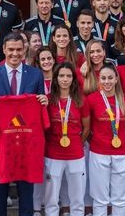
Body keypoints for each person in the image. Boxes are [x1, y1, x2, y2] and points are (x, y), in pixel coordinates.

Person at [0, 32, 48, 216]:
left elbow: (40, 108)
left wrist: (43, 101)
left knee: (26, 191)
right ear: (3, 49)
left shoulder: (35, 75)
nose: (15, 54)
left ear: (25, 49)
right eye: (11, 49)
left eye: (19, 49)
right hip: (0, 142)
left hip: (27, 143)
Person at [43, 62, 89, 216]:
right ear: (55, 79)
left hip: (75, 154)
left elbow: (86, 128)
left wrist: (77, 143)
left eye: (68, 76)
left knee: (77, 199)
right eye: (61, 76)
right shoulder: (48, 100)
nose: (65, 79)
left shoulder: (81, 100)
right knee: (51, 198)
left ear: (73, 79)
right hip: (53, 154)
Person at [85, 63, 125, 216]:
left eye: (110, 78)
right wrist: (98, 140)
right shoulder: (91, 100)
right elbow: (87, 127)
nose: (107, 82)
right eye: (103, 78)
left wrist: (116, 136)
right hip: (99, 152)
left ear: (116, 79)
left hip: (121, 152)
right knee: (100, 198)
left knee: (120, 199)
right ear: (99, 80)